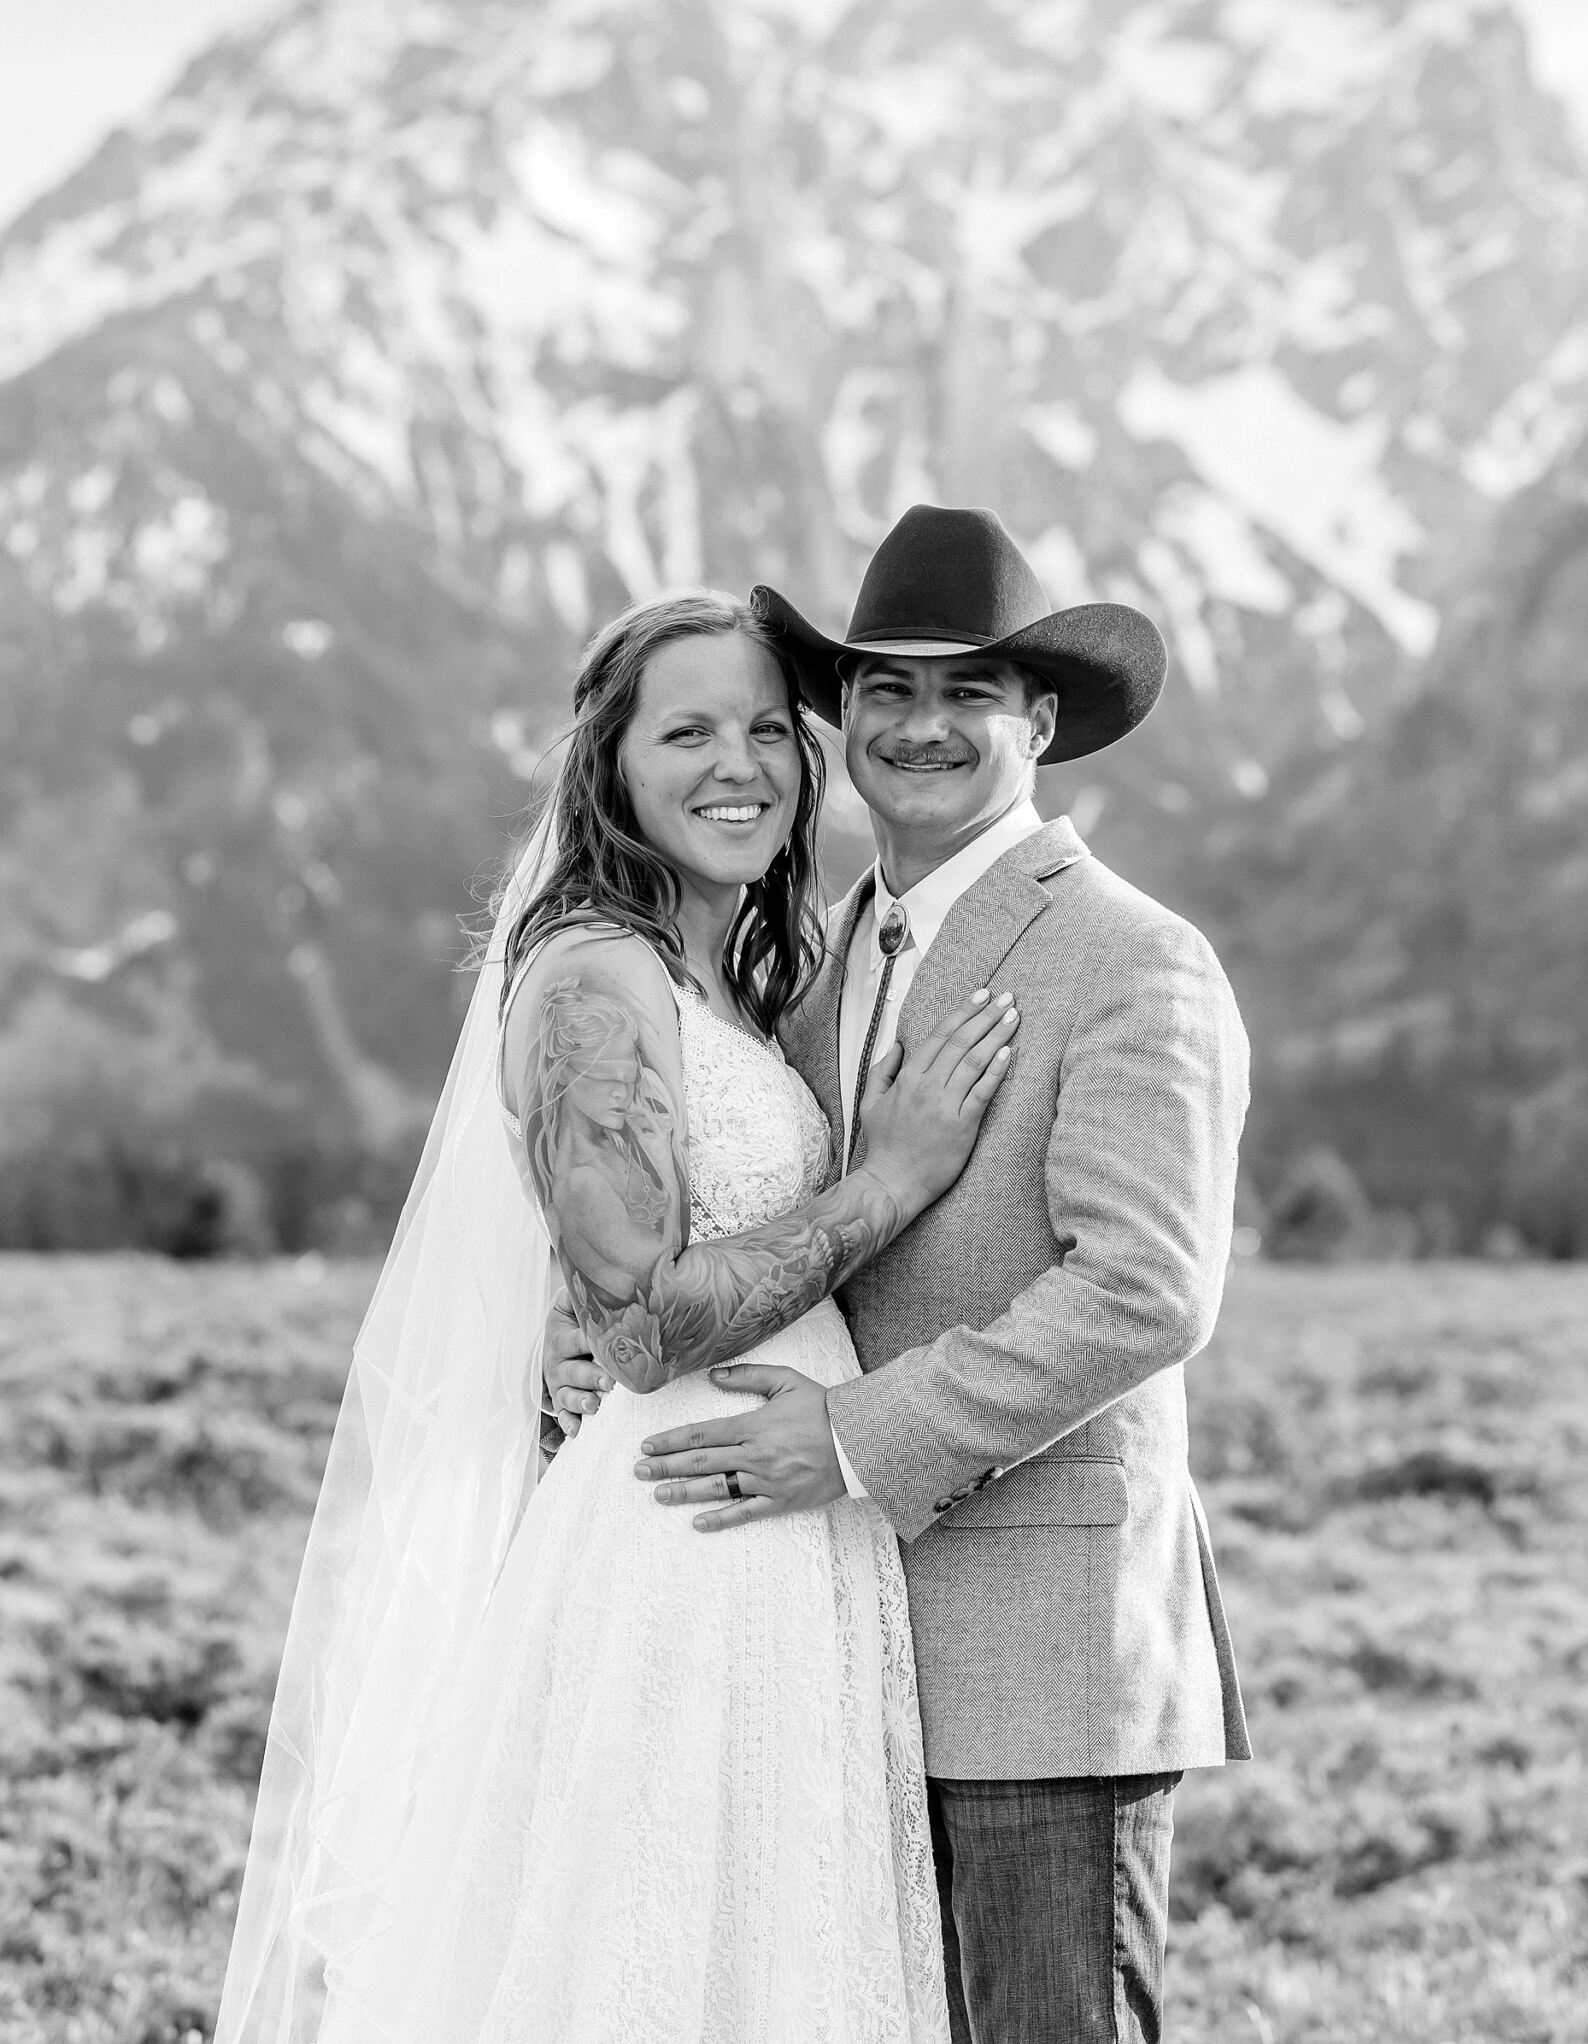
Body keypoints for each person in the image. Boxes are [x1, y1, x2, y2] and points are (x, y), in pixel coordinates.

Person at [216, 589, 1021, 2044]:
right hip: (678, 1539)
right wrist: (892, 1179)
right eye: (688, 732)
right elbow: (643, 1323)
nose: (739, 765)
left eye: (766, 729)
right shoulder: (595, 971)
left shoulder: (723, 976)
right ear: (615, 765)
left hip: (781, 1534)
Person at [549, 507, 1252, 2043]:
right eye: (887, 688)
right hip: (807, 1637)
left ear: (1038, 721)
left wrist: (857, 1437)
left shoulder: (1131, 958)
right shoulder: (809, 958)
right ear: (843, 716)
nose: (920, 725)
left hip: (1034, 1648)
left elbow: (1143, 1289)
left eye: (967, 691)